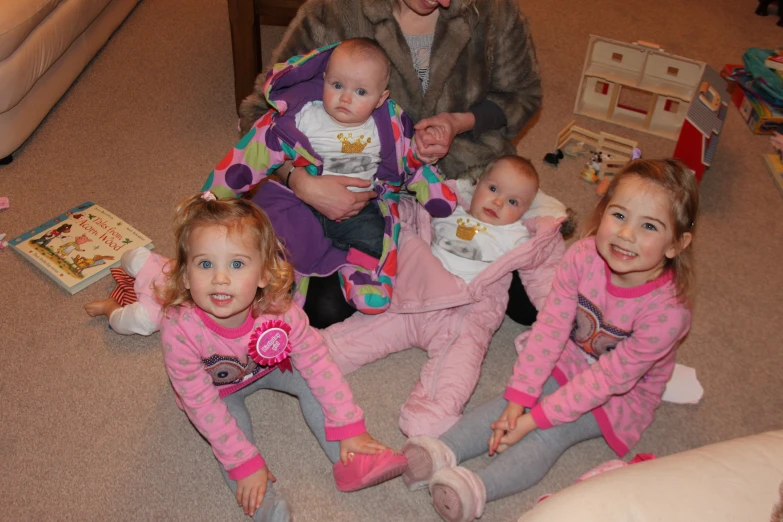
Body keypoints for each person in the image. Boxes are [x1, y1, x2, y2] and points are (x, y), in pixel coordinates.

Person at [400, 159, 699, 522]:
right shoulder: (583, 256)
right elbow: (551, 328)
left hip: (621, 395)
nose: (626, 235)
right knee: (506, 403)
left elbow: (608, 380)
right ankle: (440, 450)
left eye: (649, 226)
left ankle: (475, 487)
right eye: (618, 215)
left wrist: (534, 419)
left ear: (676, 244)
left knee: (551, 433)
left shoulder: (669, 313)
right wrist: (520, 398)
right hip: (571, 354)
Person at [234, 0, 543, 328]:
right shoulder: (331, 11)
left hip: (461, 178)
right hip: (352, 186)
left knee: (529, 305)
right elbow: (259, 113)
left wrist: (459, 122)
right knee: (322, 309)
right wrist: (299, 181)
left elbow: (522, 96)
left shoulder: (495, 11)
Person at [158, 192, 407, 522]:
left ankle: (352, 458)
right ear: (186, 277)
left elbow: (317, 361)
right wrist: (244, 464)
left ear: (263, 275)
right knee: (232, 439)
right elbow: (200, 403)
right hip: (218, 390)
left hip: (271, 364)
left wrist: (350, 423)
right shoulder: (179, 328)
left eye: (236, 264)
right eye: (205, 264)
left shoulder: (279, 309)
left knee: (312, 381)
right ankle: (265, 506)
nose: (220, 278)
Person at [204, 39, 457, 318]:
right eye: (337, 86)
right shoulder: (302, 116)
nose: (345, 98)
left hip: (359, 209)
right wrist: (216, 196)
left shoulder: (389, 124)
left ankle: (360, 274)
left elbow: (413, 162)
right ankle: (277, 279)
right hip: (301, 202)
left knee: (376, 238)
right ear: (324, 79)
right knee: (272, 232)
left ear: (381, 98)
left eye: (361, 91)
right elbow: (253, 154)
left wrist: (434, 190)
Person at [324, 155, 569, 437]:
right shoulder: (447, 210)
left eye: (513, 202)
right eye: (493, 189)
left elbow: (545, 277)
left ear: (525, 211)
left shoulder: (518, 237)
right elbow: (407, 213)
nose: (498, 203)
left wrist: (557, 320)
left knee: (458, 364)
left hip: (465, 313)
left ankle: (432, 411)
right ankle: (320, 354)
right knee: (362, 332)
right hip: (415, 298)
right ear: (475, 185)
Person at [83, 247, 171, 335]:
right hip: (165, 271)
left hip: (159, 306)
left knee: (129, 323)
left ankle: (108, 306)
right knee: (135, 258)